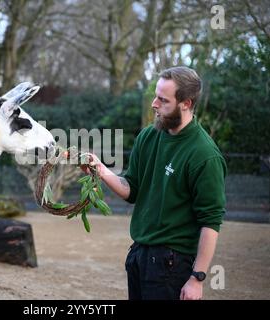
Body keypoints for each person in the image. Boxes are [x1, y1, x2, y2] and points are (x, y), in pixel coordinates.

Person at [81, 66, 226, 300]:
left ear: (186, 103)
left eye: (163, 100)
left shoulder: (204, 155)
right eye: (155, 96)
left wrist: (196, 278)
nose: (154, 104)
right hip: (139, 254)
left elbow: (211, 222)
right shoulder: (148, 137)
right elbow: (132, 190)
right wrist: (100, 170)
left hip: (173, 264)